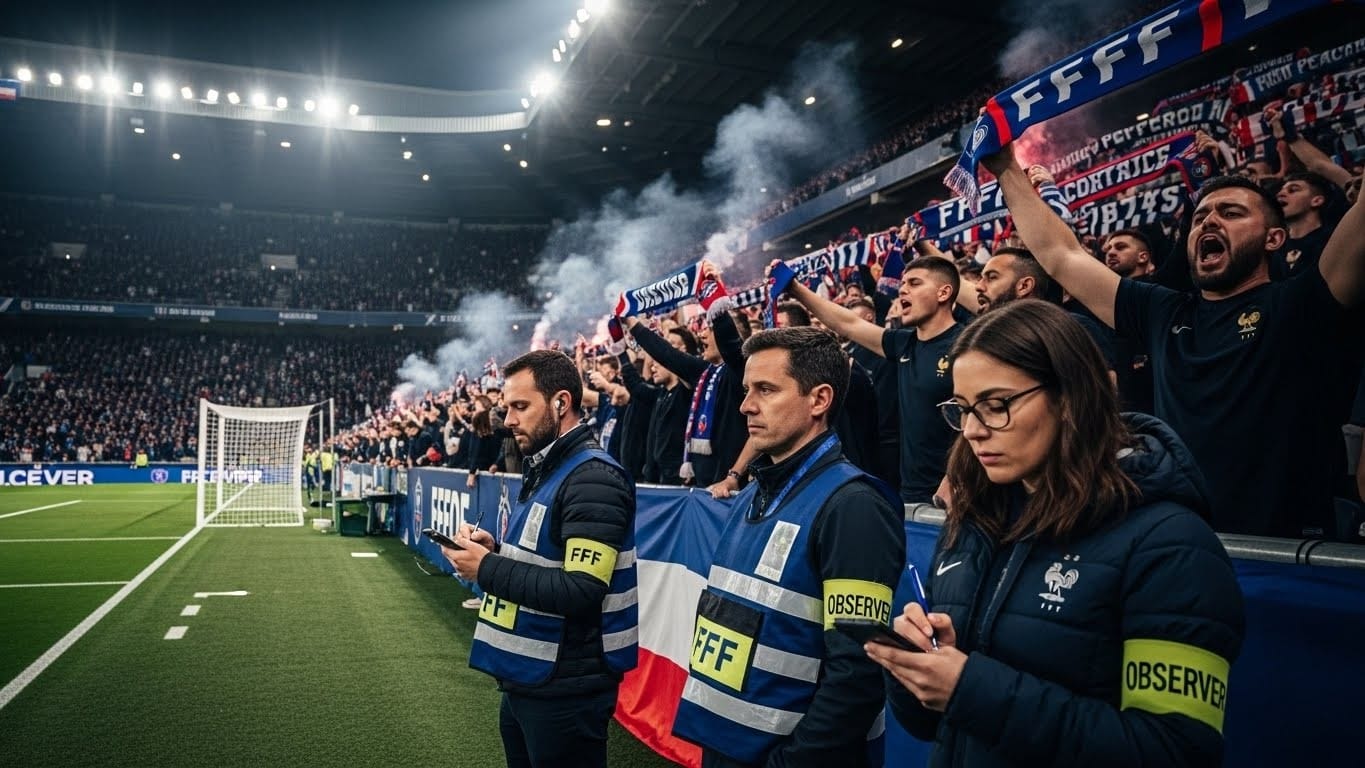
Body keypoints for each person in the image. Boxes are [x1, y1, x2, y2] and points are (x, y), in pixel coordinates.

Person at [867, 300, 1245, 767]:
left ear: (1071, 398)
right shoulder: (973, 524)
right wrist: (917, 669)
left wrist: (971, 689)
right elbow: (932, 725)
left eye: (996, 405)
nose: (971, 431)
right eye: (962, 409)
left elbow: (1175, 751)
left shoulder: (1172, 545)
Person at [986, 142, 1365, 538]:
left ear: (1273, 239)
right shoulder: (1163, 311)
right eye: (1200, 216)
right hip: (1185, 541)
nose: (1210, 221)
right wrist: (1007, 170)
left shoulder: (1304, 301)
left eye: (1231, 213)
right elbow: (1061, 254)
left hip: (1288, 557)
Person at [672, 327, 904, 767]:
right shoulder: (752, 493)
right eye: (745, 390)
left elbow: (857, 673)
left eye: (766, 389)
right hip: (726, 746)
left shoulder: (855, 507)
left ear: (819, 400)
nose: (745, 405)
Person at [440, 350, 638, 768]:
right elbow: (545, 560)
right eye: (506, 407)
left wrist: (487, 568)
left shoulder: (593, 478)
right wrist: (494, 551)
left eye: (520, 406)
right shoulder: (551, 466)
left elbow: (582, 589)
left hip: (564, 686)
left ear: (561, 403)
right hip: (532, 677)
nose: (508, 420)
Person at [779, 257, 964, 504]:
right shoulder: (904, 344)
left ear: (944, 292)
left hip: (959, 491)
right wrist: (794, 288)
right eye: (903, 283)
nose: (903, 289)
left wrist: (955, 475)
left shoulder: (967, 343)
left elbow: (979, 417)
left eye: (915, 283)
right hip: (911, 491)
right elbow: (847, 323)